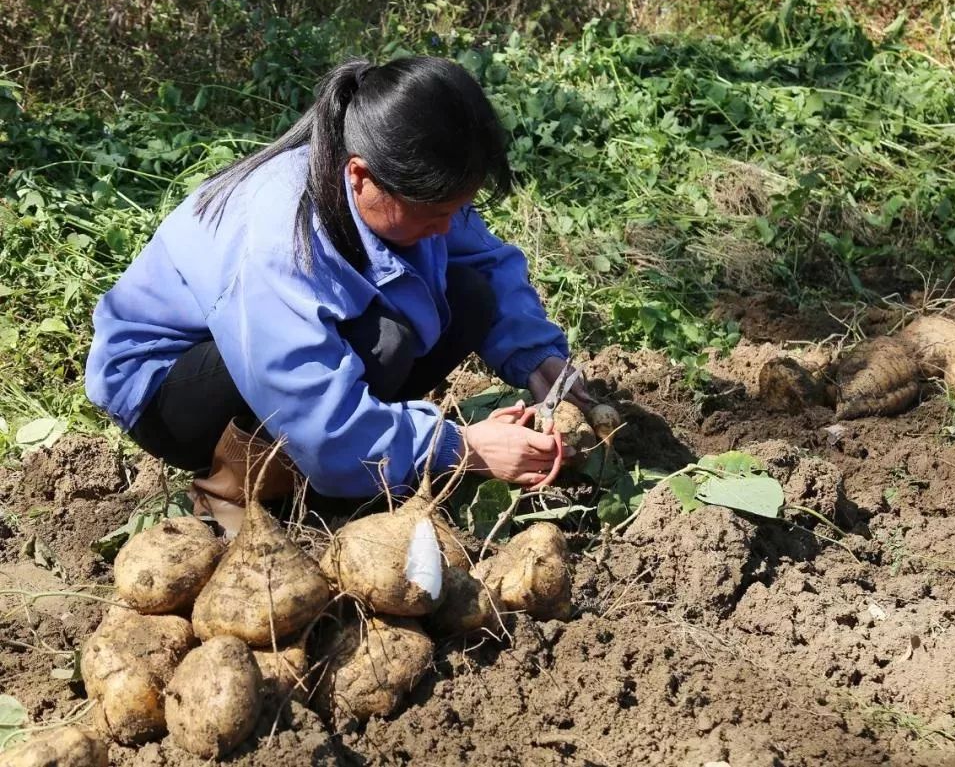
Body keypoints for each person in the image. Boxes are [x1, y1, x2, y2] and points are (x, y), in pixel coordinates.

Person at [84, 56, 591, 532]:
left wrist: (536, 359)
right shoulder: (278, 236)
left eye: (456, 209)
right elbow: (303, 394)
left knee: (471, 294)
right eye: (434, 213)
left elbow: (484, 260)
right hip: (166, 390)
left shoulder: (407, 180)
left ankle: (362, 459)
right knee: (383, 340)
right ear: (361, 176)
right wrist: (459, 448)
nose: (446, 227)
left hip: (274, 363)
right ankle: (244, 489)